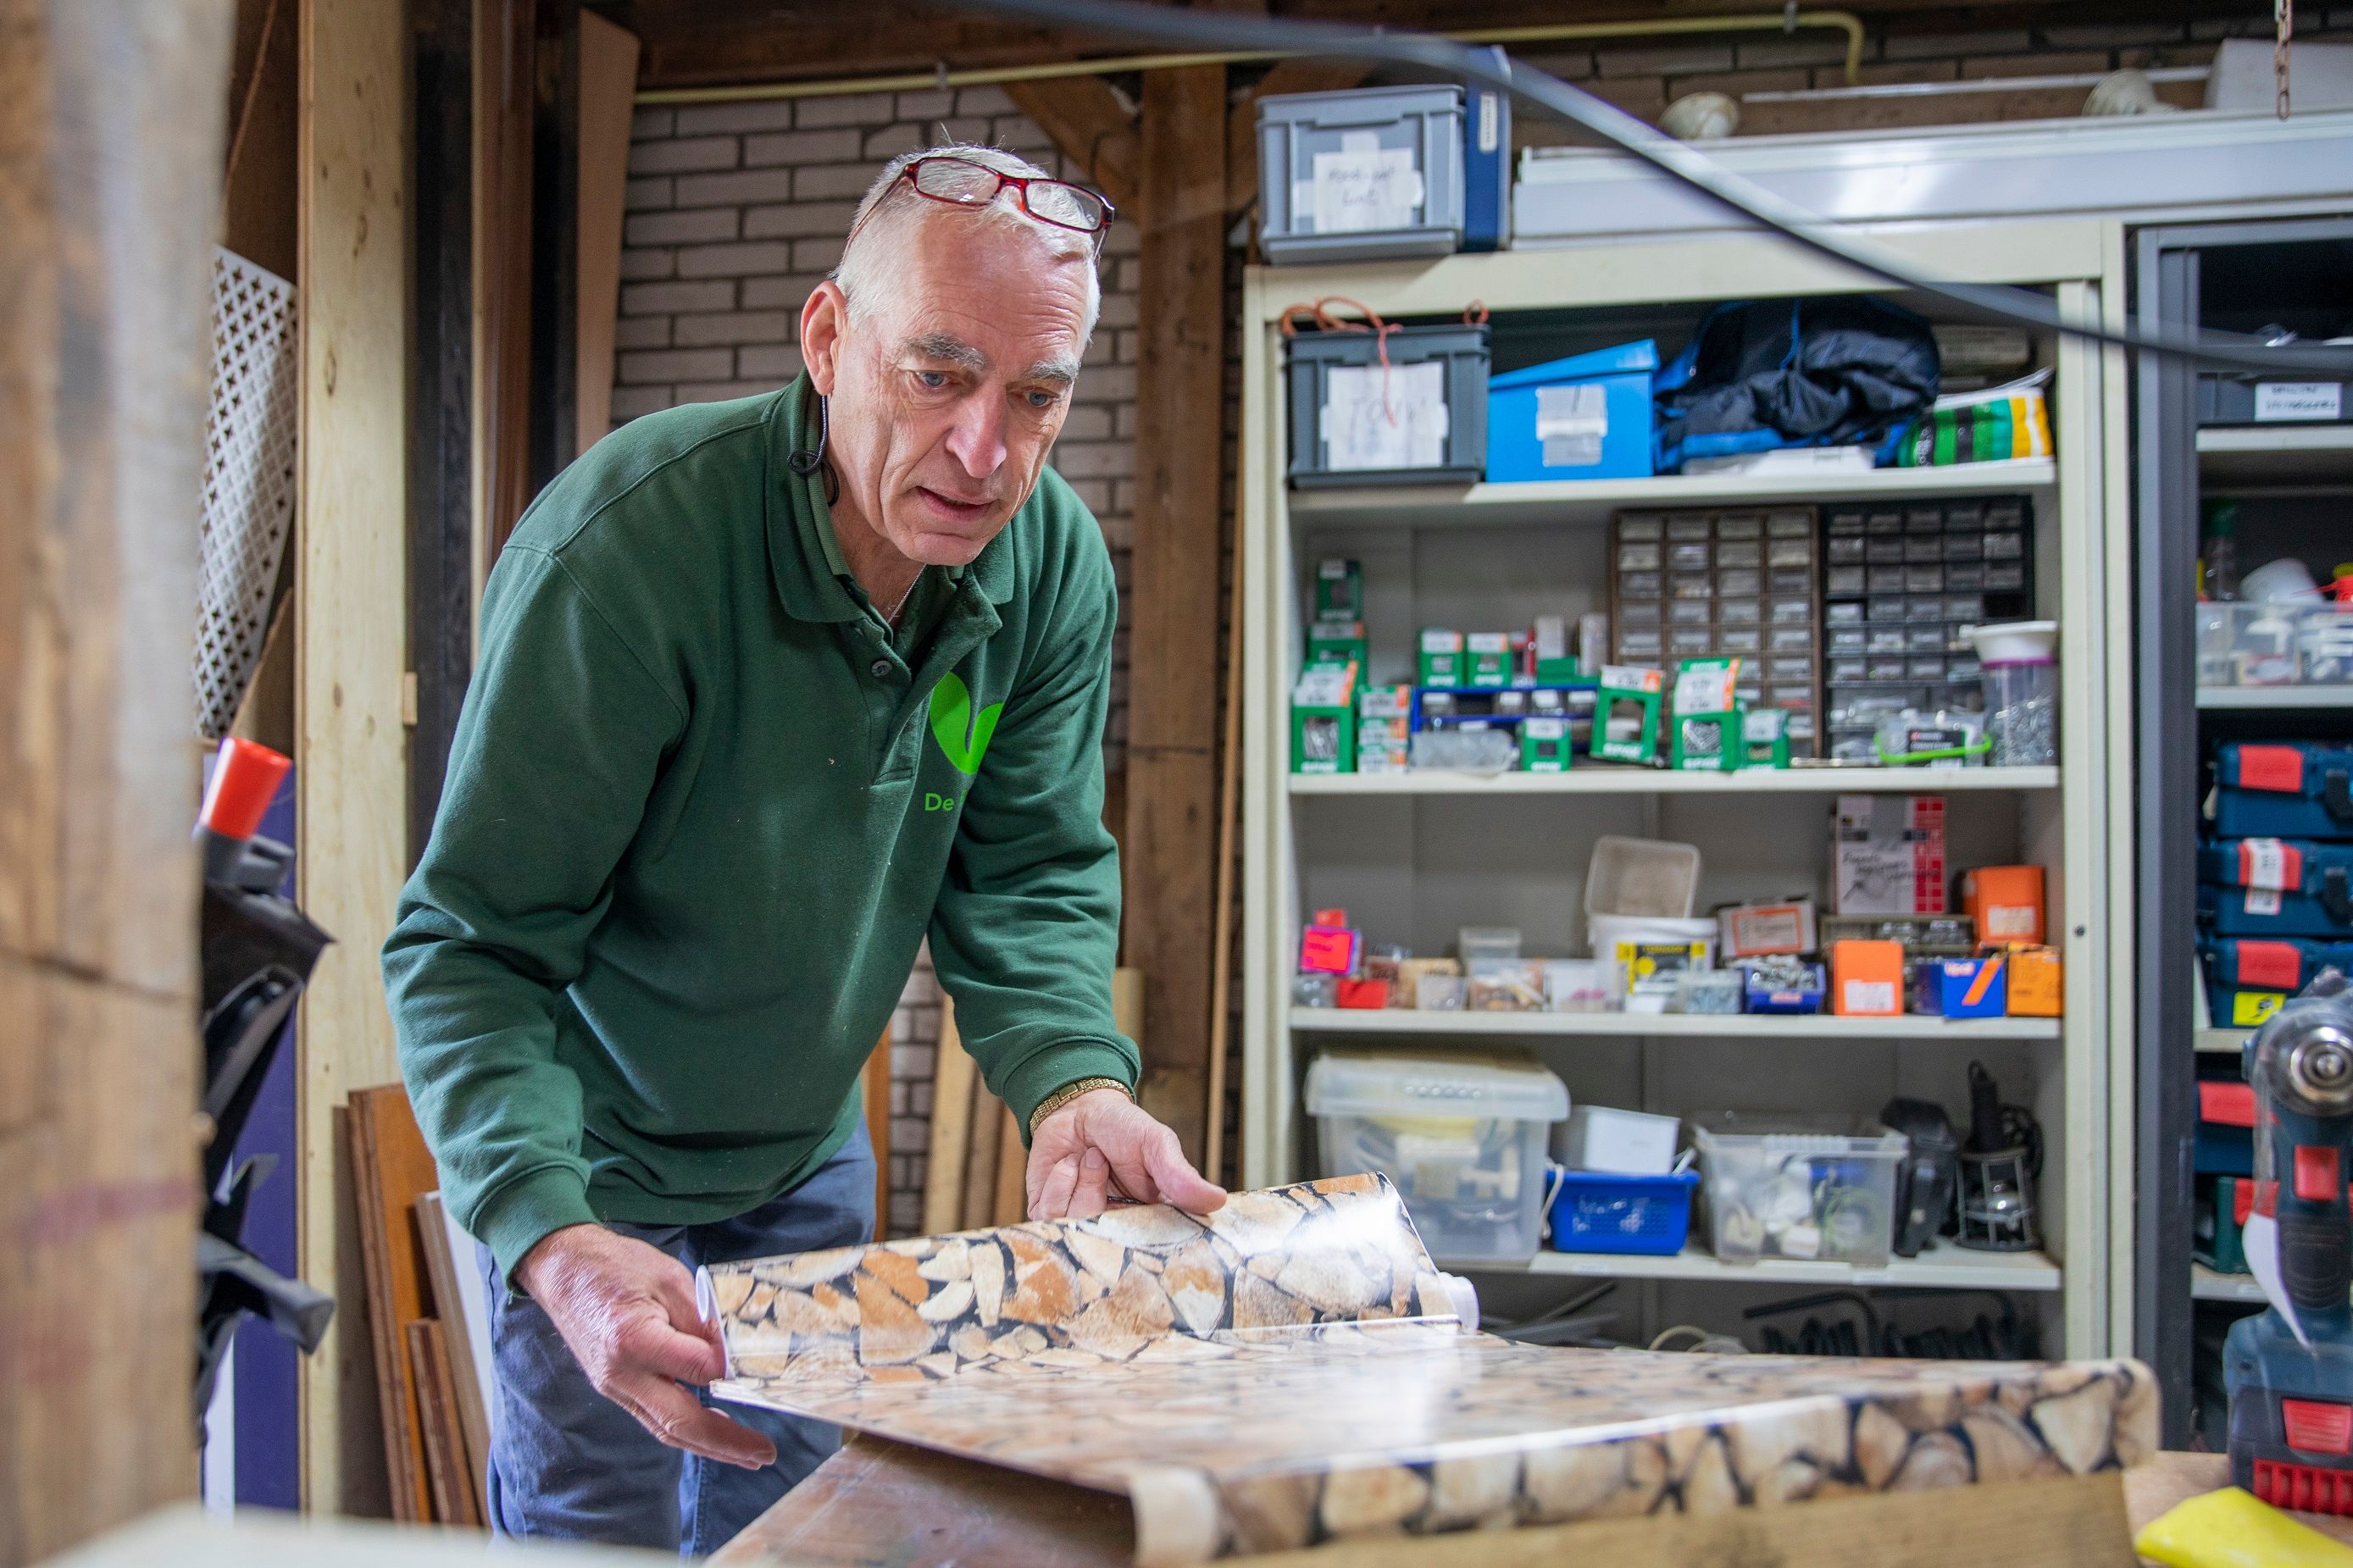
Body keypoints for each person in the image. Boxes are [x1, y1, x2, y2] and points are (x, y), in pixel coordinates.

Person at [382, 142, 1223, 1554]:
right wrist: (547, 1233)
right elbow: (473, 948)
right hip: (589, 1157)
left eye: (1036, 397)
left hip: (796, 1149)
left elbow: (1024, 874)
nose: (985, 453)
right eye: (938, 375)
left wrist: (1073, 1079)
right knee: (598, 1525)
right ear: (829, 340)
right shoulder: (631, 552)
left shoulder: (1048, 562)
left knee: (803, 1520)